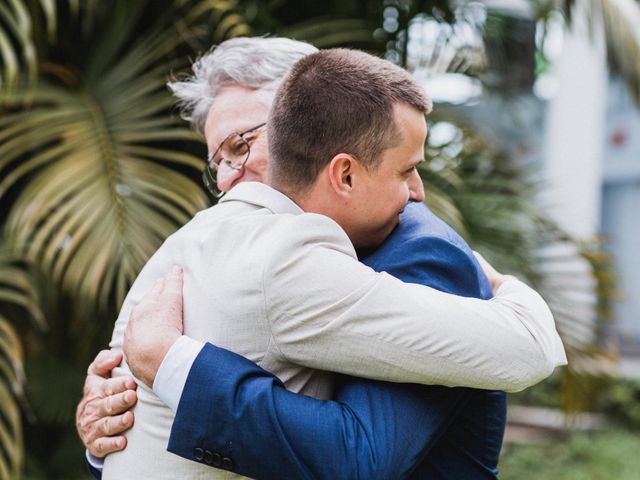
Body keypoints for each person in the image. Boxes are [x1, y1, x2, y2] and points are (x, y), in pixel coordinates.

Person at [77, 39, 566, 479]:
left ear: (310, 122)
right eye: (219, 160)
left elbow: (356, 456)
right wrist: (111, 429)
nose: (228, 177)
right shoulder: (229, 247)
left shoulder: (417, 251)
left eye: (241, 145)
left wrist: (171, 363)